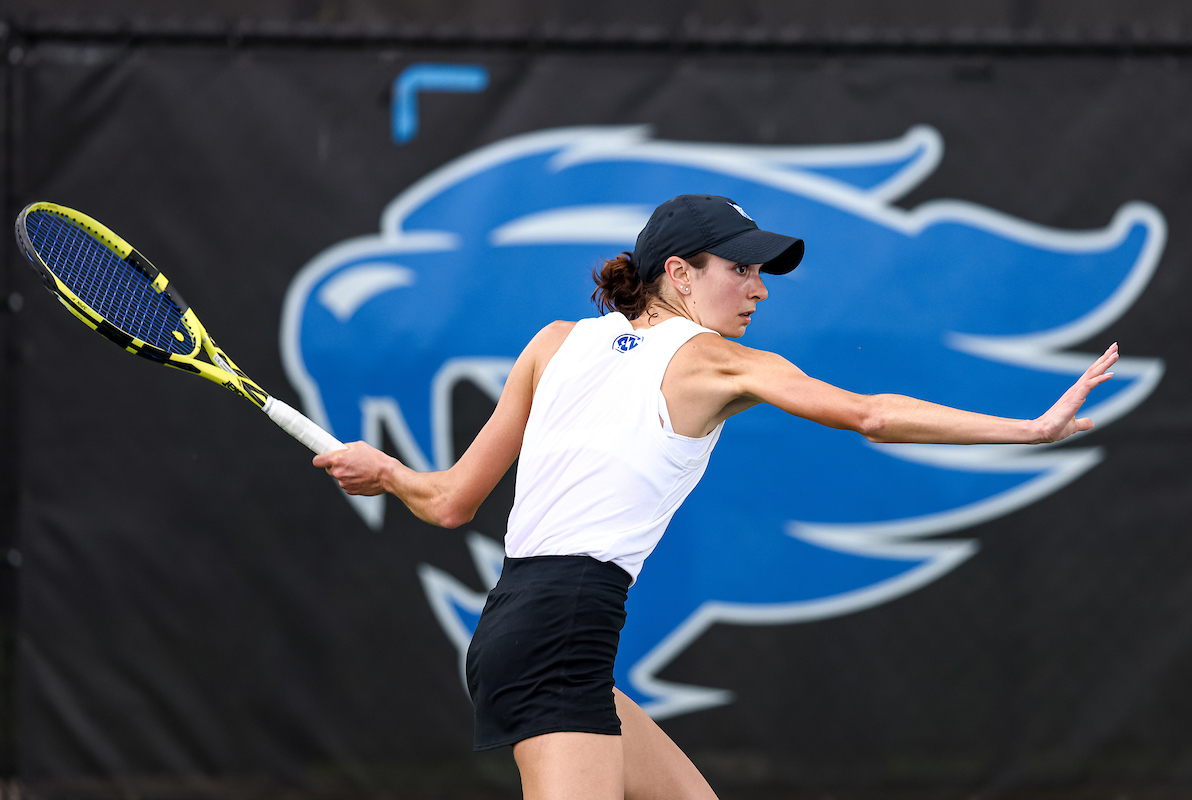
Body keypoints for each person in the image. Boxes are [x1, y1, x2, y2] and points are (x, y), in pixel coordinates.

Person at [313, 194, 1119, 800]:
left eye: (759, 272)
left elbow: (450, 499)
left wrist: (388, 474)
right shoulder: (713, 362)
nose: (758, 290)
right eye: (740, 269)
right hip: (560, 629)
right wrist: (1026, 429)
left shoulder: (553, 343)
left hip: (525, 630)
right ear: (679, 274)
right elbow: (870, 414)